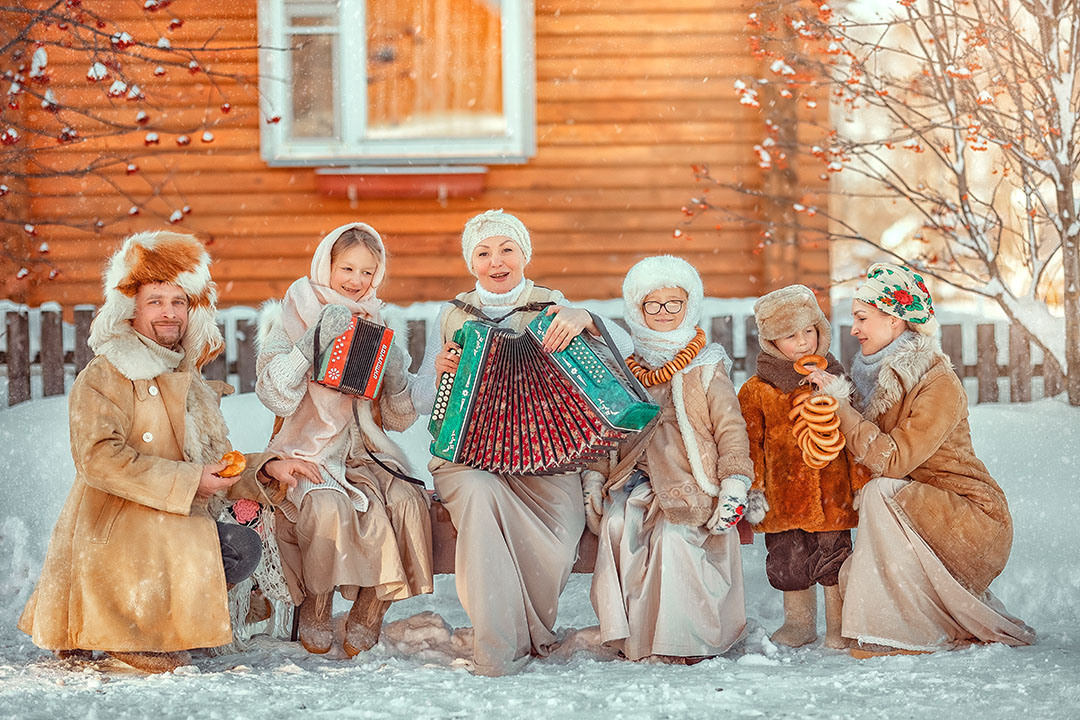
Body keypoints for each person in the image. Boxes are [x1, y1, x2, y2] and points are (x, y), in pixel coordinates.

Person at [18, 230, 319, 674]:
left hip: (173, 514)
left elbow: (214, 460)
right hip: (119, 521)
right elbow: (98, 459)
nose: (168, 312)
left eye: (178, 301)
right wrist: (187, 481)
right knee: (190, 541)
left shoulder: (186, 376)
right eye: (156, 300)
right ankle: (125, 632)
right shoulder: (107, 373)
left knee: (241, 546)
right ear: (132, 307)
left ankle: (164, 624)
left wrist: (267, 466)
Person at [411, 209, 634, 676]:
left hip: (544, 457)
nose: (497, 261)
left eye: (507, 249)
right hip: (468, 457)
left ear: (524, 255)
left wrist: (586, 318)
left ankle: (532, 633)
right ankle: (495, 646)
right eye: (484, 252)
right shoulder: (453, 314)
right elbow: (418, 400)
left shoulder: (551, 304)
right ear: (471, 262)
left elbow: (628, 352)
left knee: (558, 538)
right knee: (479, 497)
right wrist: (440, 373)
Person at [806, 263, 1035, 657]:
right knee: (854, 570)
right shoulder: (873, 379)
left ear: (895, 321)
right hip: (919, 509)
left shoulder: (937, 382)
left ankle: (901, 633)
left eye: (862, 318)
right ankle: (915, 622)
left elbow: (891, 460)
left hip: (971, 517)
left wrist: (841, 406)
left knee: (880, 491)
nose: (854, 329)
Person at [255, 222, 432, 657]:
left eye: (367, 273)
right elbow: (274, 394)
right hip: (308, 447)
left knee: (410, 501)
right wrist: (316, 338)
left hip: (363, 452)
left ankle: (372, 607)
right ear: (327, 265)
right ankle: (317, 603)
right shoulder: (293, 312)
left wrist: (403, 377)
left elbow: (396, 415)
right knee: (326, 506)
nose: (356, 282)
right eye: (347, 269)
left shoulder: (380, 321)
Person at [584, 255, 753, 662]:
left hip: (692, 479)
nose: (663, 313)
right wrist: (594, 475)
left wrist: (734, 481)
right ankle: (637, 636)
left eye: (673, 304)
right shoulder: (626, 366)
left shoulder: (706, 365)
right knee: (621, 524)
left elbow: (731, 428)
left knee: (675, 537)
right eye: (652, 305)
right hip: (638, 479)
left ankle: (685, 639)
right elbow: (607, 431)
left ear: (689, 305)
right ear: (636, 310)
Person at [737, 285, 862, 649]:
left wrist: (860, 483)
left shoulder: (838, 379)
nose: (804, 342)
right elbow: (752, 443)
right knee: (788, 561)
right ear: (773, 342)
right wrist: (754, 489)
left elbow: (855, 438)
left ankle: (838, 625)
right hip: (783, 495)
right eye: (791, 336)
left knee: (834, 558)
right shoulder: (758, 389)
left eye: (809, 331)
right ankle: (800, 622)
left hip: (832, 495)